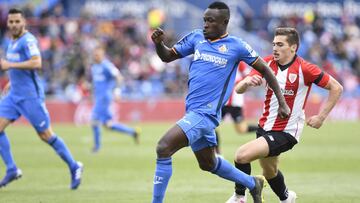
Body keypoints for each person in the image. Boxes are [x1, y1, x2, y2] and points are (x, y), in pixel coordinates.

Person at [150, 2, 290, 203]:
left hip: (205, 115)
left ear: (225, 22)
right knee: (208, 163)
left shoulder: (237, 46)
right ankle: (253, 184)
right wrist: (158, 44)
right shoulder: (196, 38)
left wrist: (282, 102)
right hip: (193, 113)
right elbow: (167, 56)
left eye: (210, 21)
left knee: (163, 147)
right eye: (204, 20)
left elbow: (266, 69)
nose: (205, 24)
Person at [226, 27, 343, 203]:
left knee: (241, 155)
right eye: (274, 44)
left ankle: (239, 197)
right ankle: (287, 198)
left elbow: (336, 87)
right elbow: (239, 89)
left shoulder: (305, 69)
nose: (275, 48)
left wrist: (321, 117)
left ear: (293, 48)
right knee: (269, 172)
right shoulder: (266, 63)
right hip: (264, 127)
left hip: (287, 132)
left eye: (280, 45)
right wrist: (247, 82)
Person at [0, 8, 83, 189]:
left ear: (24, 23)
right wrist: (12, 82)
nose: (14, 25)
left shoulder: (28, 40)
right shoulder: (11, 42)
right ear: (8, 23)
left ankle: (74, 165)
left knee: (46, 135)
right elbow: (18, 68)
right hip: (14, 96)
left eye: (17, 21)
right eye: (11, 22)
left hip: (31, 97)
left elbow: (37, 63)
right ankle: (12, 169)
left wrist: (9, 65)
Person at [90, 45, 139, 153]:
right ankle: (133, 132)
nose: (96, 56)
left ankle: (96, 147)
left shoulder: (106, 66)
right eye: (94, 54)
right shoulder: (94, 67)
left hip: (105, 98)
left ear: (102, 55)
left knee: (94, 120)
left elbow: (119, 77)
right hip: (99, 98)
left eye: (98, 54)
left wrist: (117, 91)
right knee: (109, 125)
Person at [215, 62, 258, 154]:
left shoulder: (239, 62)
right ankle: (217, 153)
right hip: (222, 101)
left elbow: (248, 76)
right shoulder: (220, 60)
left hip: (236, 101)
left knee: (242, 129)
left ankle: (262, 128)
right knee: (212, 126)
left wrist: (239, 82)